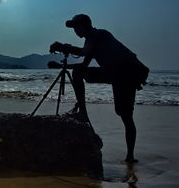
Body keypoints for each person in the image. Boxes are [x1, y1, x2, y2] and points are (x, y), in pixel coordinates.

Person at [48, 14, 149, 163]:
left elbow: (84, 53)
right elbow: (83, 66)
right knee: (124, 115)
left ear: (84, 26)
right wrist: (61, 65)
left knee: (125, 116)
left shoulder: (99, 34)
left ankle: (130, 156)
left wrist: (63, 47)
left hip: (126, 74)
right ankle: (82, 110)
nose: (75, 31)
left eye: (76, 27)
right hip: (115, 74)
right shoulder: (91, 42)